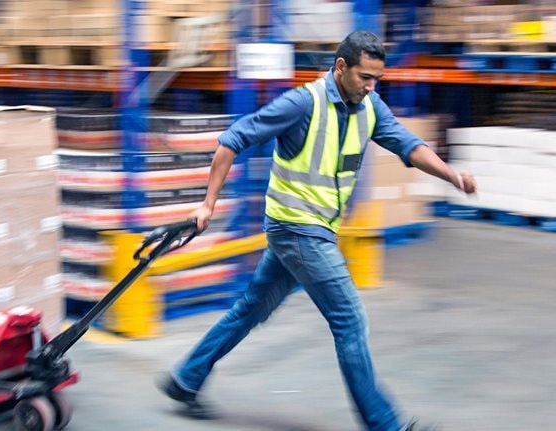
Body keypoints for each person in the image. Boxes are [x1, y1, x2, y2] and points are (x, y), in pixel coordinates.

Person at [157, 31, 476, 431]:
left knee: (253, 307)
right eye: (364, 77)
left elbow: (409, 146)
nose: (371, 86)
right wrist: (207, 204)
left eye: (377, 78)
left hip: (314, 229)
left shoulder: (370, 106)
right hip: (296, 229)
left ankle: (186, 378)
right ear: (340, 67)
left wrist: (451, 175)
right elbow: (230, 141)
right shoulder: (301, 104)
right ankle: (385, 425)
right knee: (349, 318)